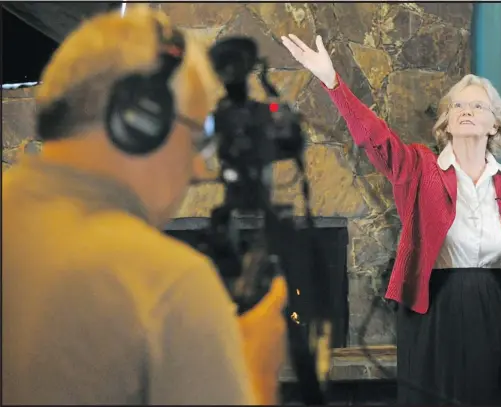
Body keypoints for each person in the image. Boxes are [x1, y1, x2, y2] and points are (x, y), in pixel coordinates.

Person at [2, 7, 287, 405]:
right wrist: (256, 371)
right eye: (198, 133)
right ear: (141, 121)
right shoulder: (167, 284)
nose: (200, 169)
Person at [281, 34, 501, 405]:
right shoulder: (417, 168)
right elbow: (373, 138)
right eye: (458, 104)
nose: (466, 109)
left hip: (497, 308)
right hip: (434, 307)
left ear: (495, 124)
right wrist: (333, 83)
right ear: (446, 122)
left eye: (478, 105)